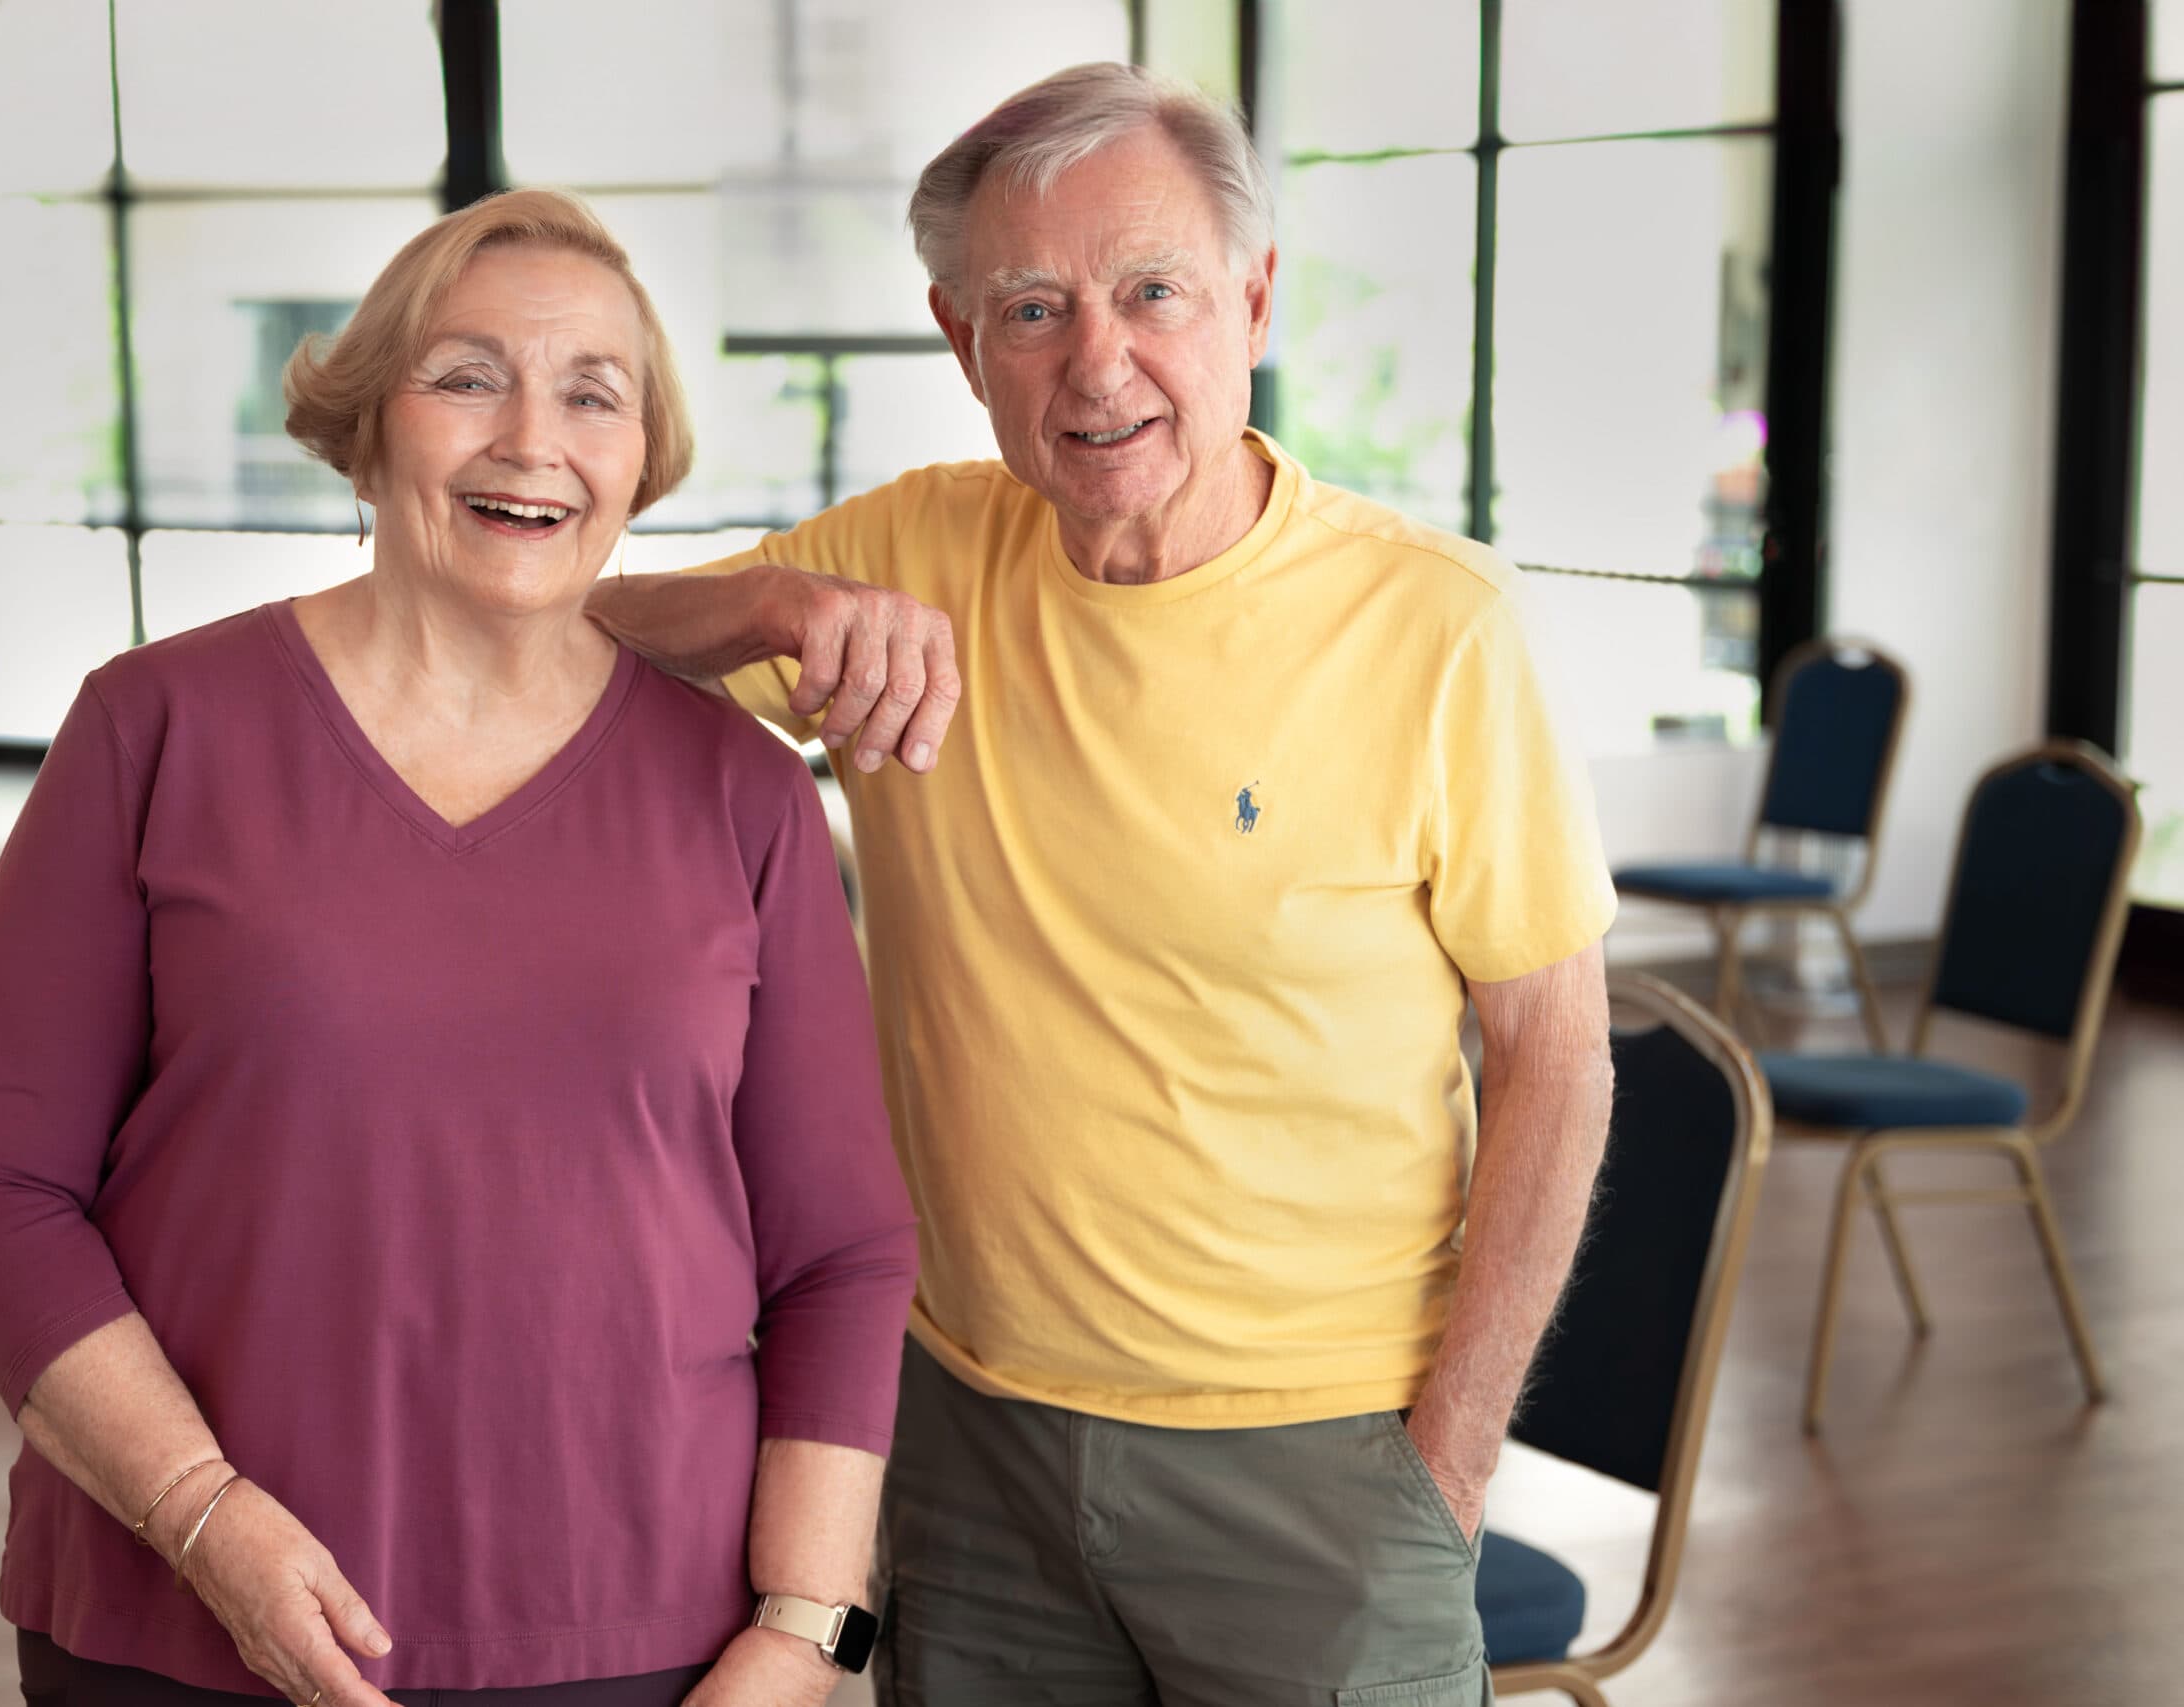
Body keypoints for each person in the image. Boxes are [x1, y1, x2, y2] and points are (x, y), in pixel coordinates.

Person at [586, 64, 1618, 1705]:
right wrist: (778, 602)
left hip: (1324, 1467)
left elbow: (1558, 1062)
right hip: (969, 1437)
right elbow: (569, 636)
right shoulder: (907, 553)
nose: (1099, 363)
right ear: (959, 341)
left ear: (1255, 300)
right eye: (1033, 310)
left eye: (1154, 293)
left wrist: (1447, 1469)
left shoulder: (1435, 628)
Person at [0, 189, 915, 1707]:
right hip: (191, 1619)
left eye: (595, 394)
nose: (534, 439)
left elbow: (842, 1251)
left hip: (644, 1642)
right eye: (467, 377)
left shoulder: (747, 795)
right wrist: (204, 1517)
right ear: (365, 429)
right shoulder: (157, 729)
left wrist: (803, 1628)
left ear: (642, 461)